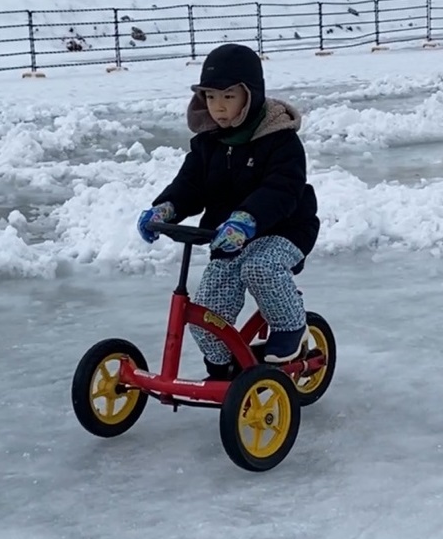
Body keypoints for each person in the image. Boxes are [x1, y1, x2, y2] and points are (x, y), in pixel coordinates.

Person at [137, 43, 319, 380]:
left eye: (228, 97)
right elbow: (191, 184)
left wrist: (247, 219)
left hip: (284, 229)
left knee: (259, 266)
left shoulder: (280, 140)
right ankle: (226, 368)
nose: (218, 107)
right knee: (206, 312)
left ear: (250, 95)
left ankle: (290, 326)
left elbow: (282, 189)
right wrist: (166, 208)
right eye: (210, 97)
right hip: (228, 237)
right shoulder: (209, 143)